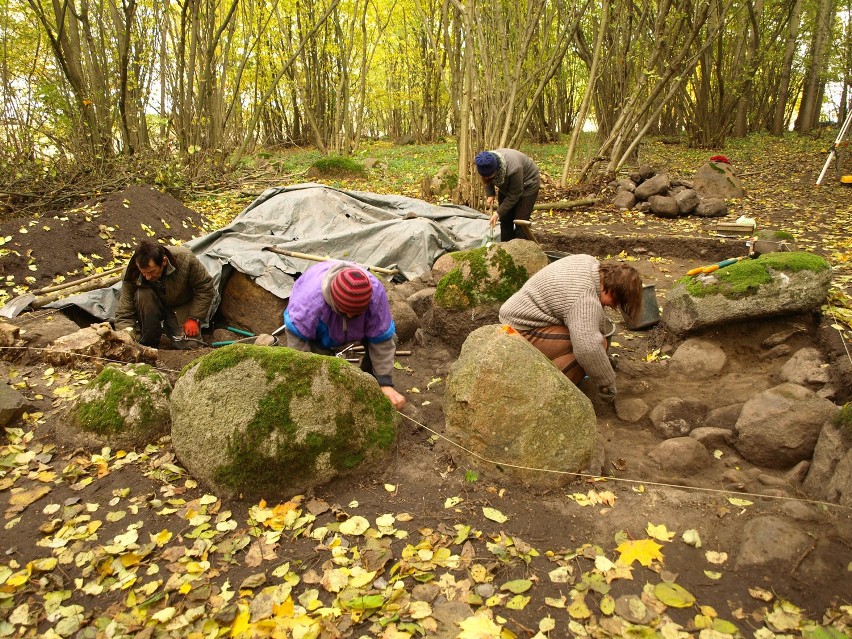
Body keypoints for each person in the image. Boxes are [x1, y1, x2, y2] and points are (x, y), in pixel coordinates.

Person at [498, 254, 643, 403]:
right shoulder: (585, 299)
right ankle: (537, 392)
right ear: (611, 291)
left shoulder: (589, 262)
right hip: (518, 331)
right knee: (592, 349)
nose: (613, 307)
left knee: (592, 344)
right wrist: (608, 384)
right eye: (616, 302)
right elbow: (588, 349)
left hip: (519, 316)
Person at [283, 260, 406, 410]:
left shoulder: (375, 295)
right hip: (321, 331)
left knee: (391, 337)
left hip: (357, 322)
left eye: (356, 314)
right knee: (320, 368)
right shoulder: (309, 305)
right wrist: (306, 383)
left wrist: (384, 383)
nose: (350, 315)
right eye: (345, 311)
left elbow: (382, 339)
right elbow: (298, 349)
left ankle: (369, 381)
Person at [114, 240, 215, 348]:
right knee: (142, 294)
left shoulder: (185, 259)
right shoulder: (131, 273)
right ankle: (150, 341)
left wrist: (194, 318)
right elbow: (124, 312)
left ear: (164, 262)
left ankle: (172, 330)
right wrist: (126, 336)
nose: (148, 277)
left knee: (191, 345)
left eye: (152, 272)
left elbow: (205, 287)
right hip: (150, 305)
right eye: (144, 273)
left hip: (180, 306)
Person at [474, 149, 540, 242]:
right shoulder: (485, 161)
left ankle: (520, 251)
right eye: (484, 176)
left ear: (496, 169)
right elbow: (487, 180)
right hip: (507, 185)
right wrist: (490, 194)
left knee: (520, 223)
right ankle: (505, 248)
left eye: (490, 176)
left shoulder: (514, 168)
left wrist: (497, 213)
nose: (487, 178)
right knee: (505, 220)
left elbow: (515, 194)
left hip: (528, 185)